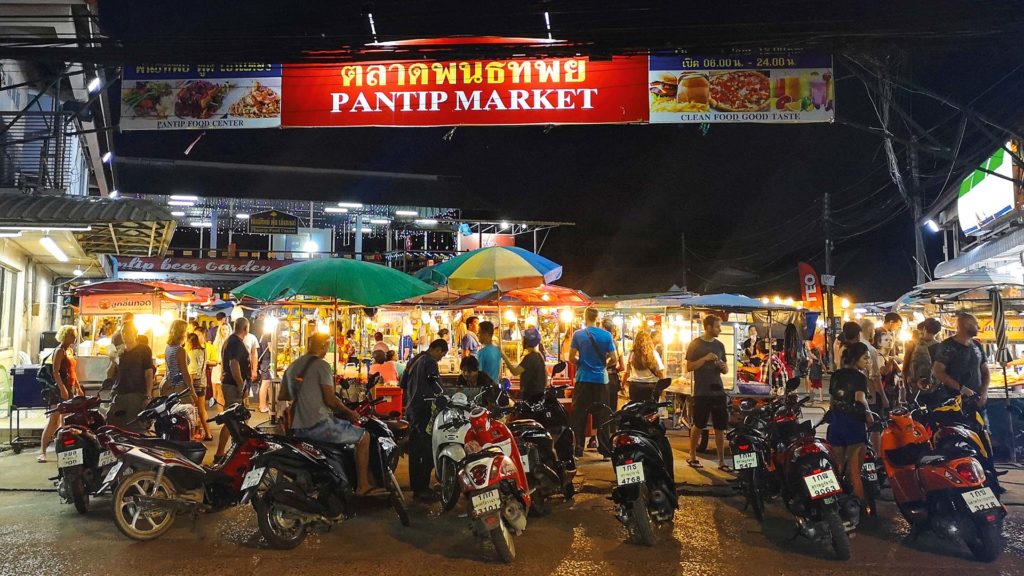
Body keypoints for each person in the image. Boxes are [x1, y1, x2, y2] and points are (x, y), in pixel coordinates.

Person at [285, 333, 373, 496]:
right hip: (319, 425)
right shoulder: (322, 366)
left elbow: (285, 397)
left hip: (297, 428)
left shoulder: (293, 366)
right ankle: (363, 485)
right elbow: (330, 400)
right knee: (364, 437)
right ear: (324, 346)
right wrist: (350, 413)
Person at [827, 342, 874, 507]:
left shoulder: (836, 374)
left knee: (838, 467)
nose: (867, 361)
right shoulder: (859, 377)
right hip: (853, 424)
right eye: (865, 358)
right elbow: (860, 398)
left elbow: (832, 402)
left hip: (836, 423)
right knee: (855, 471)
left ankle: (835, 503)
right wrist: (869, 416)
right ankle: (861, 507)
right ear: (855, 359)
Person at [401, 338, 448, 500]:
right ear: (437, 349)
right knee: (426, 449)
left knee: (415, 451)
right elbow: (437, 386)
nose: (441, 357)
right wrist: (446, 396)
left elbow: (403, 385)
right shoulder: (429, 362)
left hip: (412, 410)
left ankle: (417, 487)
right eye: (442, 354)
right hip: (424, 411)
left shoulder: (414, 360)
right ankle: (422, 489)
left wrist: (405, 408)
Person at [568, 307, 618, 458]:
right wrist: (603, 365)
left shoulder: (578, 334)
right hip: (601, 380)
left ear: (585, 317)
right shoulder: (607, 335)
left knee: (579, 415)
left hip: (583, 379)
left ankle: (578, 448)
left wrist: (582, 363)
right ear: (597, 318)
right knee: (603, 415)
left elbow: (571, 358)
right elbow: (614, 359)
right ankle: (605, 450)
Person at [686, 315, 731, 472]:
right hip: (702, 391)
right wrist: (705, 359)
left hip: (718, 391)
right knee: (699, 424)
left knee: (720, 427)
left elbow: (726, 369)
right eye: (718, 327)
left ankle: (721, 461)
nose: (720, 329)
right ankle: (692, 455)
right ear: (709, 327)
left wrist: (723, 367)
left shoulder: (720, 345)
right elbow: (689, 367)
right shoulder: (695, 344)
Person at [38, 326, 85, 462]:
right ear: (65, 336)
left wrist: (77, 386)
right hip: (57, 389)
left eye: (74, 335)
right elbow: (55, 371)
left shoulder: (69, 350)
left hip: (68, 387)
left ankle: (63, 450)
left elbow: (72, 371)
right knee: (54, 419)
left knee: (66, 419)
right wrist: (62, 388)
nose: (74, 338)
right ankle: (43, 451)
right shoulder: (59, 351)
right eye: (71, 335)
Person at [107, 323, 154, 433]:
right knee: (114, 427)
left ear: (135, 333)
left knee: (135, 428)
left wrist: (148, 395)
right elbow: (109, 374)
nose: (125, 335)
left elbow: (149, 373)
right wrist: (113, 359)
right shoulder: (118, 350)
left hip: (136, 395)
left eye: (128, 332)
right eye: (123, 332)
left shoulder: (144, 350)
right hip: (118, 394)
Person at [216, 317, 252, 460]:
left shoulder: (230, 341)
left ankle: (232, 450)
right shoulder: (235, 343)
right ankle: (221, 453)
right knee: (232, 419)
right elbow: (234, 364)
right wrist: (240, 384)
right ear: (246, 328)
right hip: (232, 385)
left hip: (230, 383)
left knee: (233, 419)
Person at [500, 327, 548, 403]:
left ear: (527, 341)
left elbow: (515, 372)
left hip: (531, 396)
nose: (522, 340)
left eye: (523, 338)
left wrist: (503, 355)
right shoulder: (538, 355)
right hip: (538, 395)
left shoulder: (530, 357)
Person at [163, 319, 199, 405]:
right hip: (180, 388)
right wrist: (192, 391)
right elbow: (185, 373)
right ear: (181, 333)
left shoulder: (168, 347)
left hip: (170, 386)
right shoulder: (180, 350)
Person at [624, 330, 666, 402]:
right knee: (650, 411)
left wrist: (623, 385)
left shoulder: (632, 354)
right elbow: (660, 372)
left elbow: (627, 372)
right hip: (651, 387)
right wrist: (662, 387)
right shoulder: (654, 353)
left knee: (636, 410)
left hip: (635, 387)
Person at [909, 318, 942, 403]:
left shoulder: (914, 344)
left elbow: (906, 366)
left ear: (924, 329)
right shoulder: (940, 347)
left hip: (915, 386)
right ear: (937, 332)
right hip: (934, 386)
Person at [186, 332, 213, 440]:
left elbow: (192, 371)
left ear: (190, 341)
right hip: (203, 382)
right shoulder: (204, 351)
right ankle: (208, 433)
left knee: (192, 410)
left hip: (195, 384)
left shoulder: (192, 353)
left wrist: (189, 387)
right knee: (202, 410)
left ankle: (193, 434)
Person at [602, 318, 626, 412]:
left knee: (602, 406)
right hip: (613, 378)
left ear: (603, 328)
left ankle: (601, 425)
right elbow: (622, 367)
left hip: (601, 377)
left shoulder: (599, 343)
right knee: (612, 406)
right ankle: (612, 426)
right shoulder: (617, 344)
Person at [257, 331, 274, 413]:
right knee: (265, 383)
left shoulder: (264, 334)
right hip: (266, 361)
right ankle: (262, 406)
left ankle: (267, 404)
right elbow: (271, 349)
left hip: (265, 361)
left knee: (268, 384)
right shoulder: (269, 334)